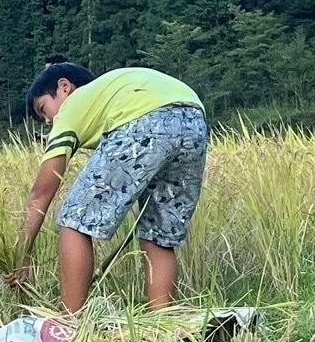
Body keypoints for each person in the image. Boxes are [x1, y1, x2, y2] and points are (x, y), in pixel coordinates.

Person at [11, 61, 208, 311]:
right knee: (158, 235)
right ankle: (164, 323)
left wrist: (21, 255)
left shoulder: (73, 104)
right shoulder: (110, 92)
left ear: (64, 87)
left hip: (144, 118)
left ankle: (70, 324)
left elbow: (41, 193)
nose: (49, 121)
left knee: (74, 220)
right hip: (194, 119)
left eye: (44, 109)